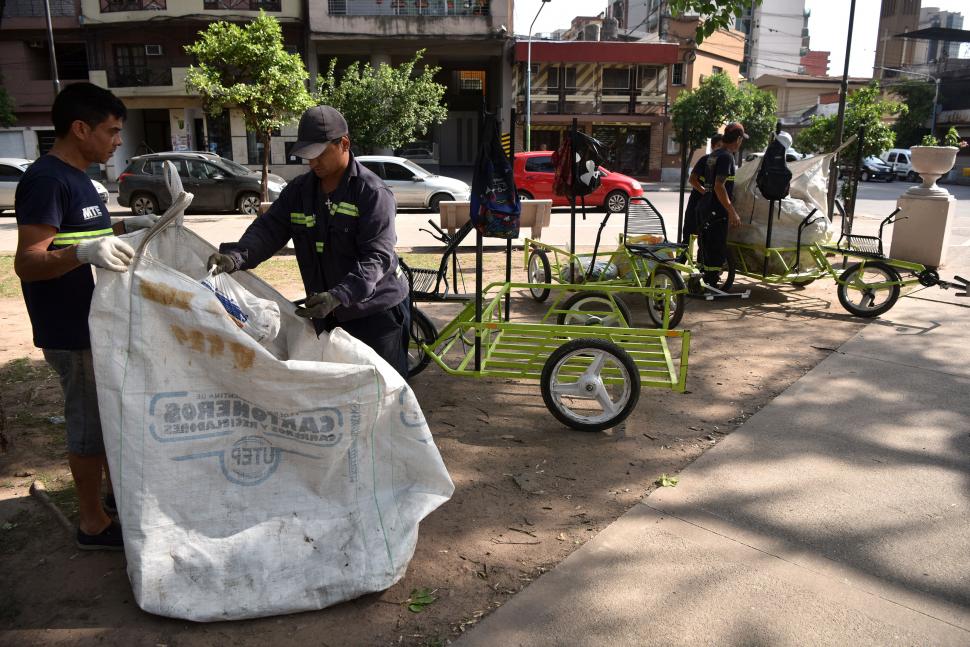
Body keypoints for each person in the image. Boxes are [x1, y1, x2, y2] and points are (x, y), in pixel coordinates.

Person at [14, 82, 159, 550]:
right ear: (80, 129)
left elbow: (85, 230)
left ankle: (113, 499)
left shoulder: (81, 179)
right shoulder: (46, 179)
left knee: (110, 412)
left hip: (98, 321)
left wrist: (126, 227)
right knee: (89, 422)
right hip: (71, 326)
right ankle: (92, 523)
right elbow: (29, 262)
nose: (119, 140)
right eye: (112, 130)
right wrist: (83, 252)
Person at [207, 105, 410, 376]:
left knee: (383, 392)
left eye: (319, 154)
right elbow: (269, 230)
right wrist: (235, 257)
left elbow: (377, 256)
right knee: (340, 392)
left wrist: (339, 295)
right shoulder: (299, 192)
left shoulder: (372, 193)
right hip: (329, 315)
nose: (312, 163)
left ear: (344, 144)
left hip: (375, 314)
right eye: (307, 156)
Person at [698, 122, 747, 287]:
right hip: (717, 211)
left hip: (706, 206)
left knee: (706, 246)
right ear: (738, 139)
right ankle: (711, 283)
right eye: (742, 140)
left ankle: (703, 279)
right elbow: (719, 186)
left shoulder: (715, 155)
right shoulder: (726, 157)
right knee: (715, 246)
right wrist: (732, 211)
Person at [682, 132, 723, 242]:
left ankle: (700, 259)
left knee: (704, 239)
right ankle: (682, 258)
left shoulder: (724, 162)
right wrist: (705, 192)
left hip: (710, 207)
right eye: (719, 145)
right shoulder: (705, 160)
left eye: (723, 146)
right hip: (696, 202)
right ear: (713, 146)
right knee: (689, 236)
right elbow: (692, 179)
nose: (721, 149)